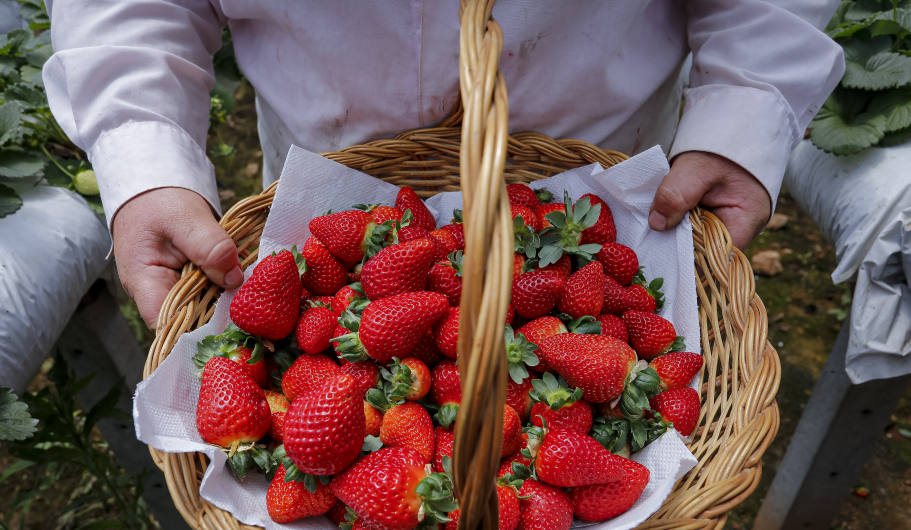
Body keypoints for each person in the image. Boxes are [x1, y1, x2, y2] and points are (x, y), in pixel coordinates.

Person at [43, 1, 844, 330]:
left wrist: (746, 107)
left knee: (591, 317)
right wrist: (142, 151)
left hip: (597, 165)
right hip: (329, 171)